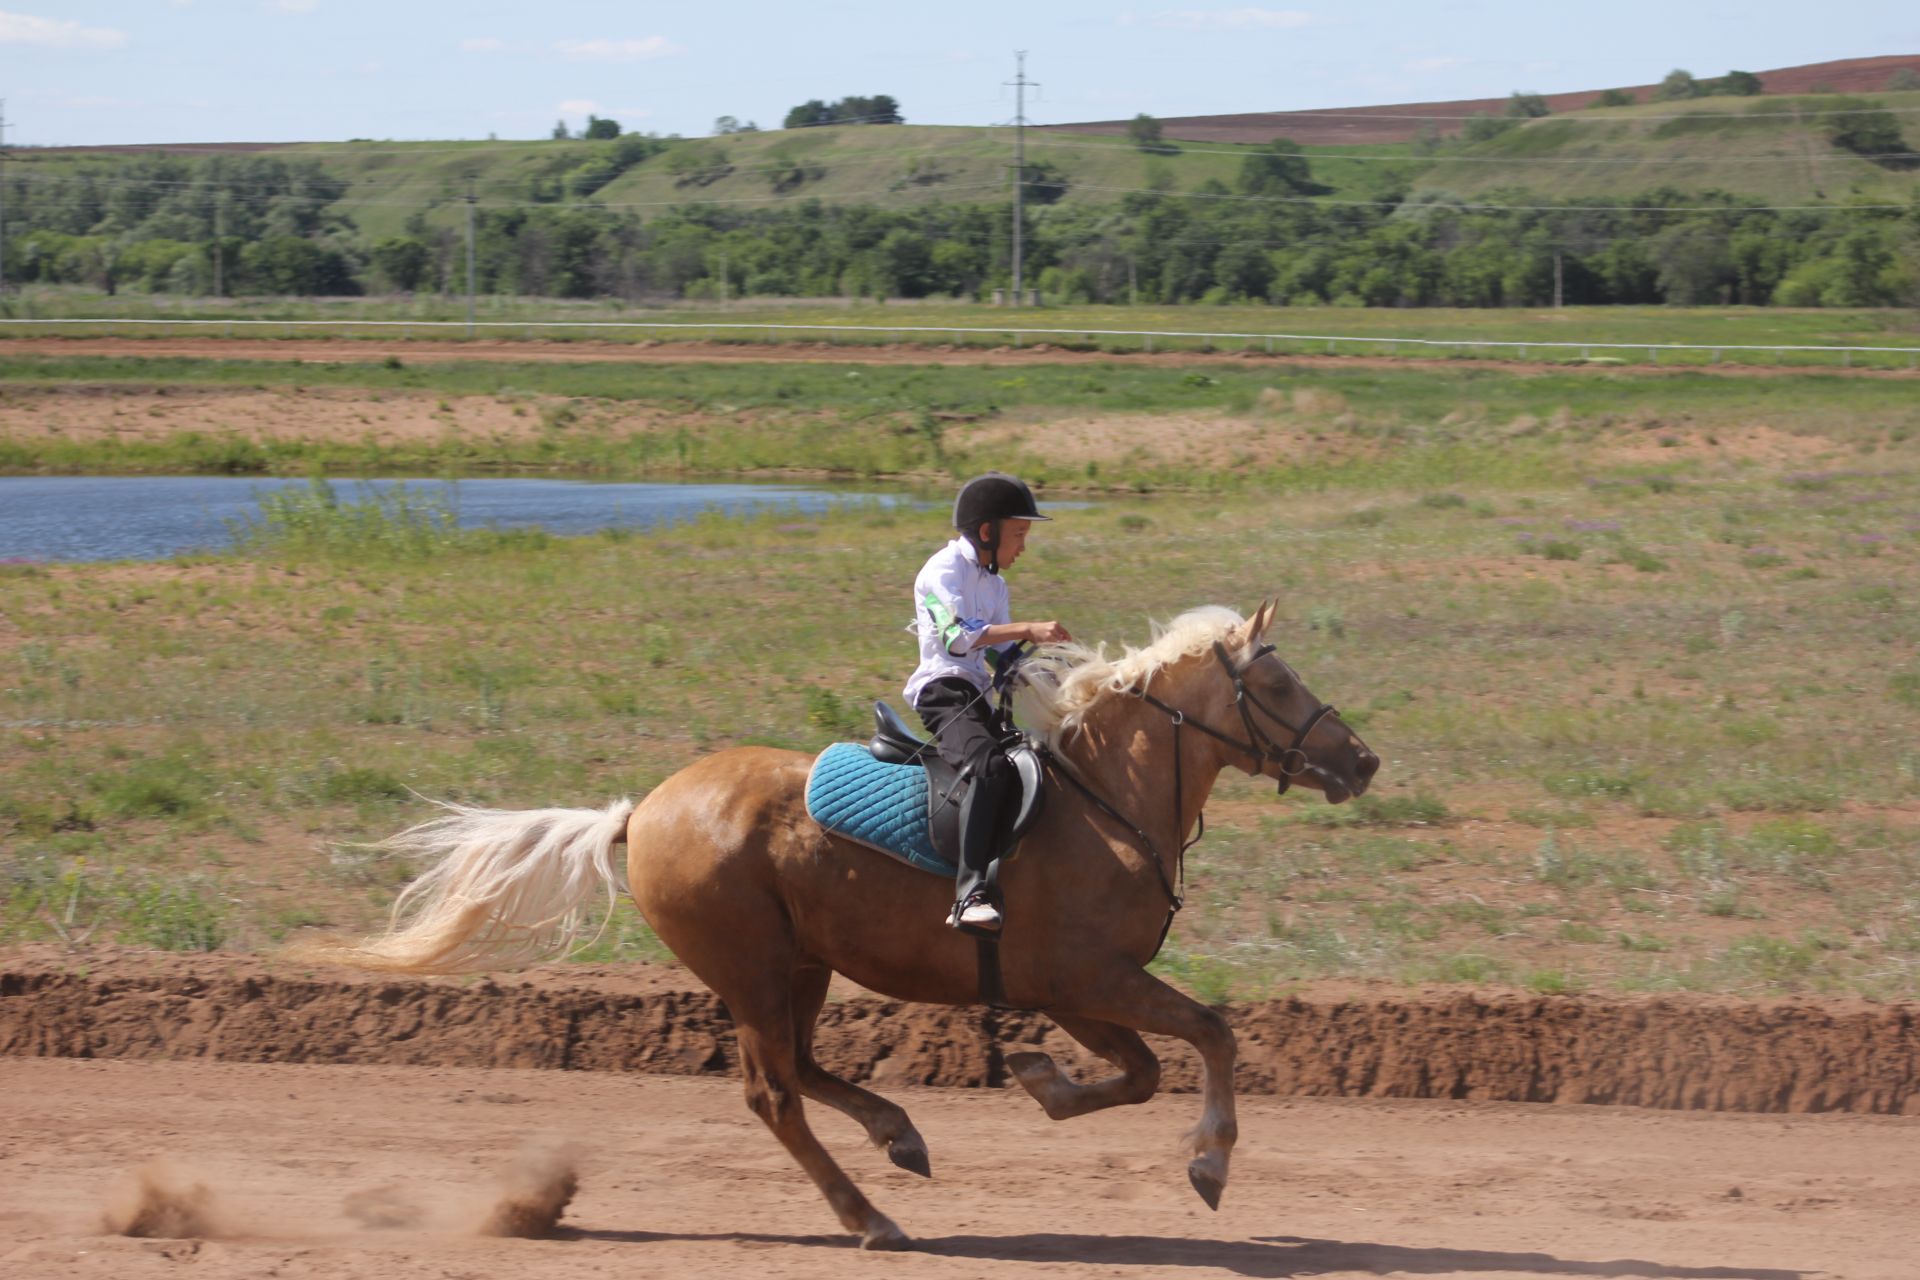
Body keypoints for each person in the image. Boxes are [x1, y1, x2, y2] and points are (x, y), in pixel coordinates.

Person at [905, 472, 1071, 934]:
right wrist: (1026, 628)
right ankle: (968, 895)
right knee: (990, 768)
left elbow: (1000, 654)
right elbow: (958, 641)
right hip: (942, 693)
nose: (1023, 547)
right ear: (987, 531)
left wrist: (1058, 670)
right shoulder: (939, 572)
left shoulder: (995, 587)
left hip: (976, 695)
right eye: (1018, 535)